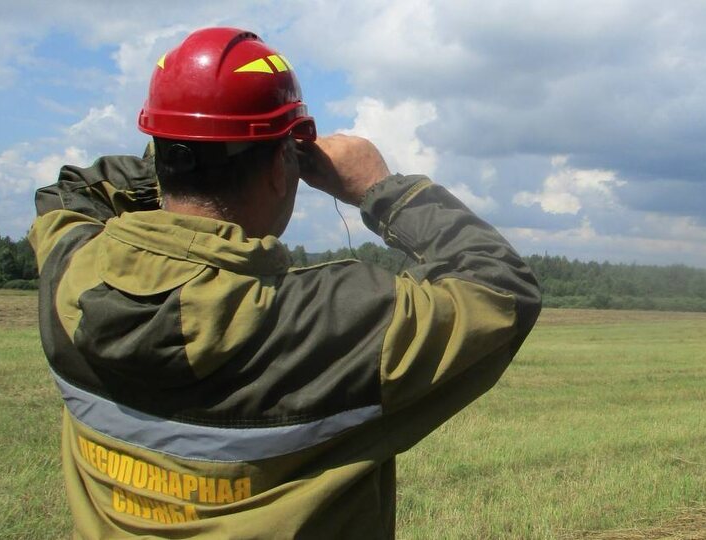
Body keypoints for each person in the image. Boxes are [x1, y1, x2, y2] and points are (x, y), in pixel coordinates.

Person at [28, 27, 541, 539]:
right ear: (282, 167)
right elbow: (501, 288)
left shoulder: (70, 274)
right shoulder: (332, 330)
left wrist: (193, 136)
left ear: (162, 155)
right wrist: (380, 189)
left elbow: (72, 193)